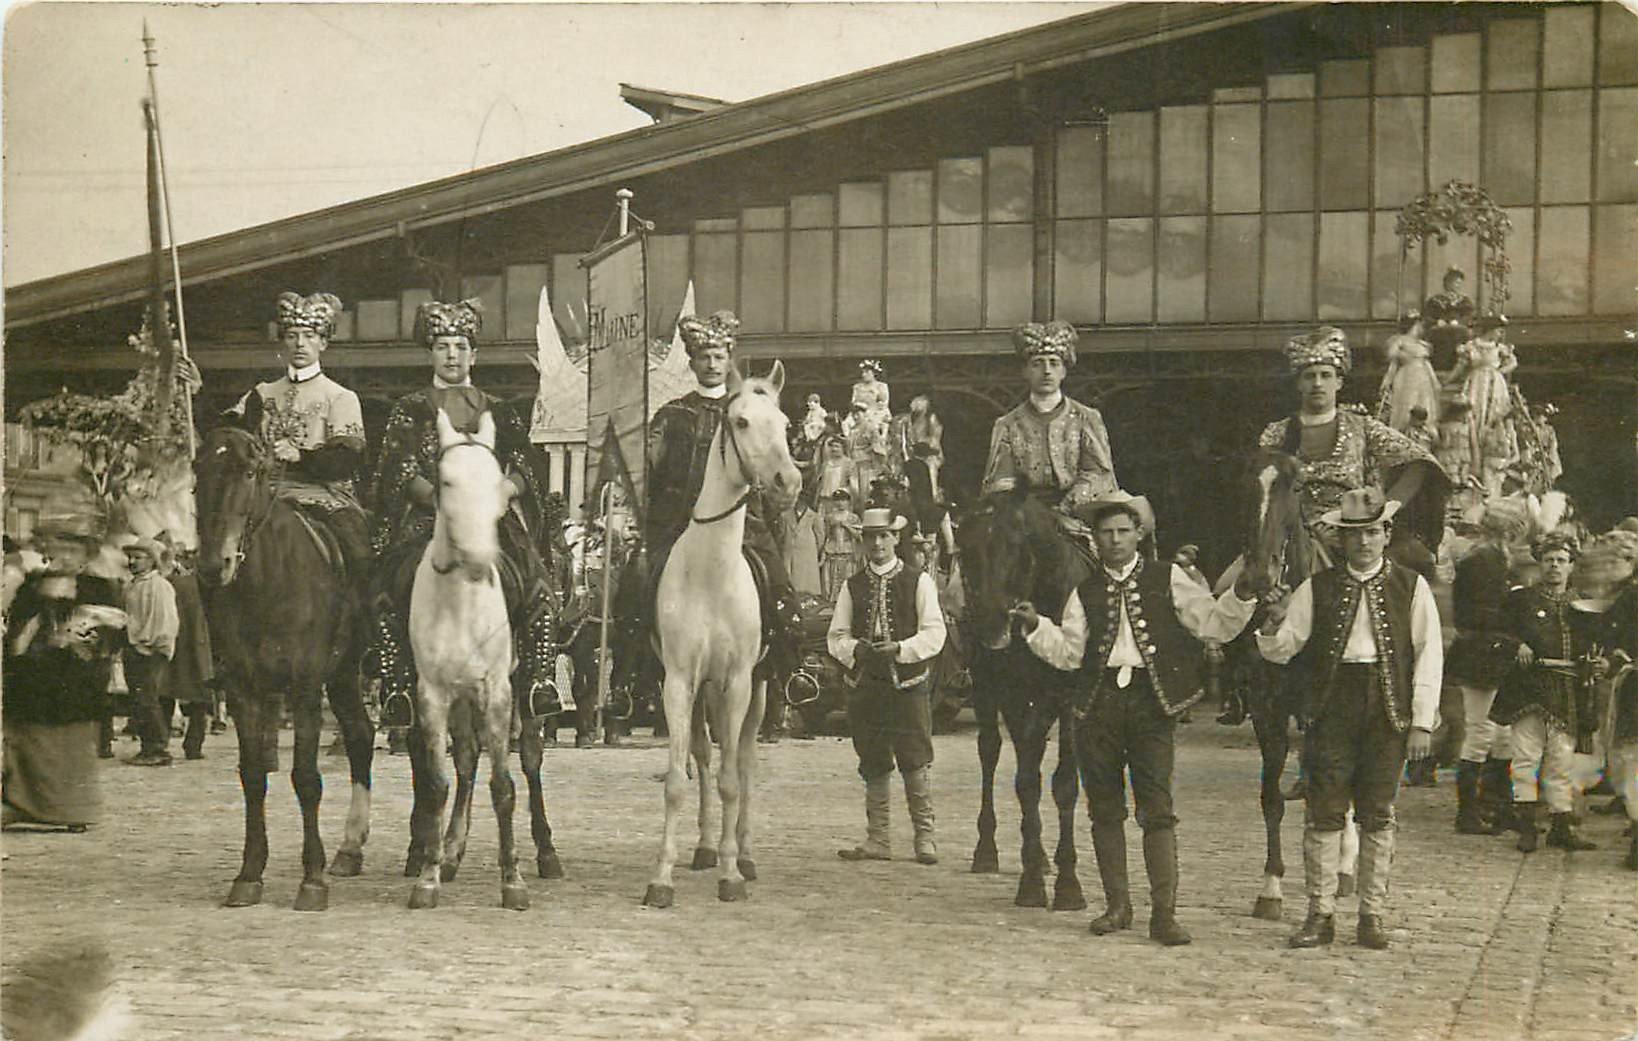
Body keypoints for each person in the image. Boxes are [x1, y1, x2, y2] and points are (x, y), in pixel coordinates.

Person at [1015, 492, 1259, 946]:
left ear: (1138, 535)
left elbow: (1210, 623)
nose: (1114, 540)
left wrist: (1241, 597)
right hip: (1098, 703)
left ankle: (1164, 914)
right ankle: (1117, 906)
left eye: (1123, 532)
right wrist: (1036, 628)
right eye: (1106, 533)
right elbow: (1071, 654)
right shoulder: (1083, 592)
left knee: (1158, 809)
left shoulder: (1170, 578)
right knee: (1104, 808)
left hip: (1152, 703)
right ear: (1095, 538)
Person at [1256, 487, 1442, 950]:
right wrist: (1269, 623)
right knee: (1324, 812)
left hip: (1387, 708)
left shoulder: (1411, 586)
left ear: (1386, 533)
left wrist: (1421, 722)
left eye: (1372, 532)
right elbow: (1284, 647)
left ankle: (1371, 914)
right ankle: (1320, 913)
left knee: (1378, 813)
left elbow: (1428, 655)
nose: (1363, 542)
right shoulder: (1316, 588)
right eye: (1353, 534)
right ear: (1340, 539)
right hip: (1330, 707)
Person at [367, 298, 561, 727]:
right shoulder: (411, 408)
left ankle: (538, 680)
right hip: (428, 518)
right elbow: (399, 467)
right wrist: (440, 502)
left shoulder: (499, 409)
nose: (451, 354)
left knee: (538, 584)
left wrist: (505, 491)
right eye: (442, 346)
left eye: (459, 345)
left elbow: (527, 463)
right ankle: (398, 685)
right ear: (430, 353)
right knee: (387, 587)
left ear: (474, 354)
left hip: (492, 519)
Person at [643, 310, 802, 687]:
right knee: (637, 584)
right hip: (676, 522)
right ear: (692, 361)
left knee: (779, 585)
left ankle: (791, 668)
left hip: (744, 522)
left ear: (729, 359)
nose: (712, 363)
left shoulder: (751, 410)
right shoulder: (671, 415)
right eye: (704, 356)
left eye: (719, 356)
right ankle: (629, 676)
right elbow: (651, 473)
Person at [1257, 327, 1448, 572]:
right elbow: (1263, 492)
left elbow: (1421, 462)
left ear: (1339, 382)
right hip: (1290, 538)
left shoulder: (1363, 427)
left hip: (1355, 540)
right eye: (1310, 376)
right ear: (1299, 384)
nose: (1317, 383)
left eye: (1326, 375)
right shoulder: (1277, 433)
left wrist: (1386, 507)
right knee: (1235, 587)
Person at [228, 291, 372, 596]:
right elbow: (227, 435)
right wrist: (197, 393)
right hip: (263, 495)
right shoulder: (262, 393)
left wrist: (301, 457)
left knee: (359, 551)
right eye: (292, 335)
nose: (300, 343)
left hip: (321, 495)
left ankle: (366, 621)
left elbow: (347, 458)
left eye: (309, 335)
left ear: (323, 342)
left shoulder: (340, 397)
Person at [828, 508, 947, 865]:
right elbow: (836, 636)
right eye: (869, 537)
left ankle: (925, 838)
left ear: (896, 538)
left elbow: (935, 632)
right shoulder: (852, 586)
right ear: (862, 541)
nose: (876, 543)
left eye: (883, 536)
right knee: (873, 756)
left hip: (908, 680)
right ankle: (878, 838)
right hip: (866, 682)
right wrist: (856, 650)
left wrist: (901, 649)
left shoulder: (919, 580)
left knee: (914, 756)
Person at [3, 514, 126, 830]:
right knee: (28, 743)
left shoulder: (96, 587)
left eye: (73, 550)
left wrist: (78, 635)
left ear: (86, 554)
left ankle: (70, 810)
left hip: (74, 680)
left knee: (68, 747)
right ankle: (21, 804)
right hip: (32, 678)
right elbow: (17, 625)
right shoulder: (32, 585)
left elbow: (113, 626)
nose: (65, 556)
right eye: (58, 548)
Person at [1489, 532, 1600, 854]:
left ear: (1571, 566)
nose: (1554, 566)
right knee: (1525, 759)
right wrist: (1516, 645)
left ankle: (1561, 827)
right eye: (1549, 560)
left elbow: (1597, 641)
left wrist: (1595, 660)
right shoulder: (1521, 600)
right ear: (1540, 563)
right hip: (1528, 690)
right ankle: (1526, 828)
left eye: (1561, 561)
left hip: (1568, 691)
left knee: (1560, 760)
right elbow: (1496, 633)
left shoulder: (1583, 603)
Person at [1445, 499, 1530, 834]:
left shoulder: (1497, 559)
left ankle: (1497, 805)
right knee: (1480, 731)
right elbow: (1472, 615)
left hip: (1495, 654)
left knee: (1503, 734)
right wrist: (1516, 620)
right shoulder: (1482, 561)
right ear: (1508, 531)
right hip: (1481, 654)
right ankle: (1467, 813)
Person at [982, 321, 1120, 520]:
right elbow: (1001, 479)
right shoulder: (1007, 424)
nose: (1046, 371)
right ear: (1025, 371)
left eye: (1054, 363)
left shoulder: (1086, 418)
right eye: (1037, 364)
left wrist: (1068, 506)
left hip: (1077, 513)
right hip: (1024, 517)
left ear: (1063, 371)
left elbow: (1097, 472)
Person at [121, 538, 179, 767]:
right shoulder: (132, 585)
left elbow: (166, 620)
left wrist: (159, 647)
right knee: (138, 700)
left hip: (150, 649)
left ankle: (159, 748)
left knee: (149, 699)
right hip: (133, 646)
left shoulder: (159, 586)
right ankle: (147, 746)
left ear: (152, 561)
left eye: (138, 557)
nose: (133, 561)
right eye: (131, 557)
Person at [158, 536, 214, 761]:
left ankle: (163, 742)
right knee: (197, 695)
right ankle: (193, 745)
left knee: (167, 693)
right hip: (196, 643)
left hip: (182, 641)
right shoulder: (198, 582)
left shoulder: (173, 582)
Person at [1377, 313, 1441, 439]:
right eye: (1419, 324)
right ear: (1414, 325)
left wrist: (1434, 381)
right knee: (1407, 404)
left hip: (1423, 376)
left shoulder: (1422, 344)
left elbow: (1426, 363)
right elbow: (1392, 359)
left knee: (1424, 402)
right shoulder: (1400, 340)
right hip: (1407, 376)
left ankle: (1423, 436)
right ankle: (1404, 434)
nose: (1421, 328)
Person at [1422, 266, 1474, 374]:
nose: (1457, 286)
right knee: (1437, 335)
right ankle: (1440, 368)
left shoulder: (1465, 300)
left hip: (1459, 329)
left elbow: (1469, 316)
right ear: (1447, 283)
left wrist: (1459, 322)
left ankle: (1458, 369)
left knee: (1461, 333)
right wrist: (1437, 321)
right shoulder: (1435, 300)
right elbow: (1427, 316)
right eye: (1454, 283)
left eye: (1459, 283)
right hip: (1439, 329)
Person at [821, 488, 862, 603]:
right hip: (833, 552)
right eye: (837, 500)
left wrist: (847, 526)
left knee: (848, 580)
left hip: (848, 552)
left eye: (843, 500)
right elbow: (826, 535)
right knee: (832, 580)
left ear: (848, 502)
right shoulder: (829, 517)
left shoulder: (853, 518)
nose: (840, 503)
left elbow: (859, 536)